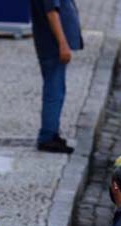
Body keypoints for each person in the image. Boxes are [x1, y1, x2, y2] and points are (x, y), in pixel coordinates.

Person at [30, 0, 84, 154]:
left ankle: (52, 132)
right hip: (52, 45)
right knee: (54, 92)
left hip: (48, 43)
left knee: (56, 89)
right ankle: (48, 136)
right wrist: (63, 43)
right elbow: (52, 13)